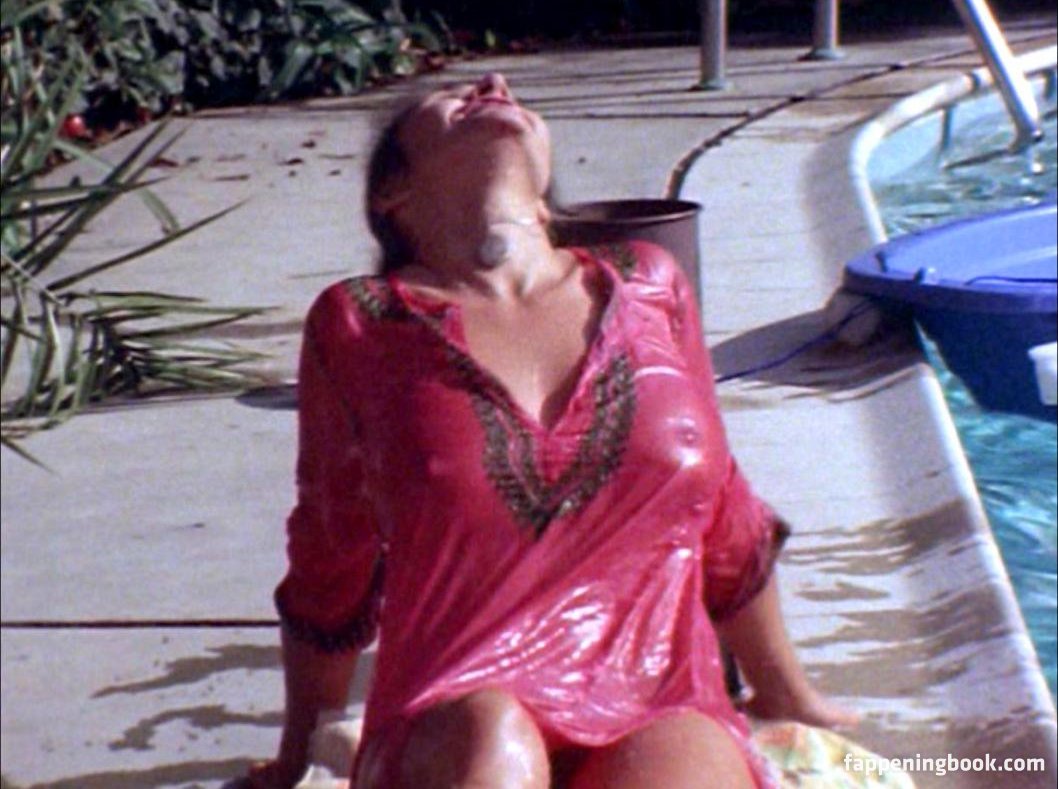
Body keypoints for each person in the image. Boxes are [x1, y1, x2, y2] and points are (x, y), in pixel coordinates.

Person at [248, 72, 855, 789]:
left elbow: (722, 506)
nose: (494, 82)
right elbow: (330, 547)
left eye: (511, 95)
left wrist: (787, 693)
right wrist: (297, 756)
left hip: (653, 694)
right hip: (453, 705)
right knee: (494, 741)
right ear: (392, 194)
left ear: (543, 198)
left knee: (677, 761)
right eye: (448, 97)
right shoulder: (361, 322)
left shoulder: (649, 284)